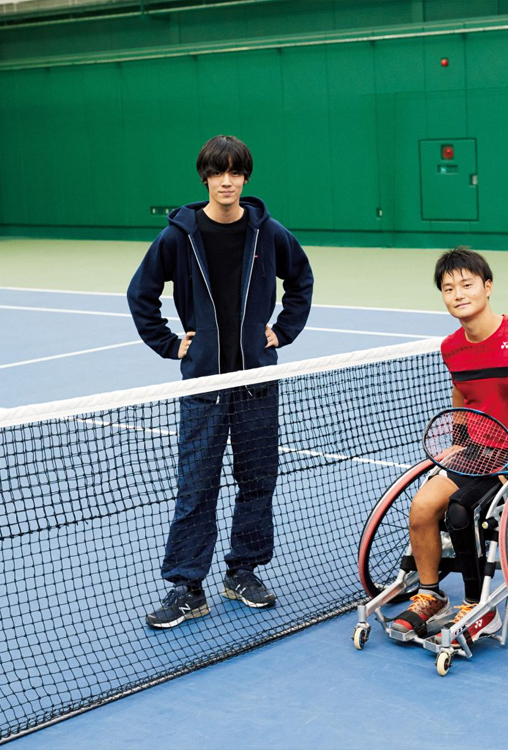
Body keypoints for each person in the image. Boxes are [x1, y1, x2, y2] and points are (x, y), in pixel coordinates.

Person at [127, 135, 313, 629]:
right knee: (197, 487)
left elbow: (301, 280)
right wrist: (171, 344)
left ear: (245, 177)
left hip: (256, 381)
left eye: (235, 172)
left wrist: (282, 331)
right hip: (202, 387)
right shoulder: (178, 236)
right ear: (205, 178)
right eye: (217, 172)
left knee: (257, 480)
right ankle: (187, 586)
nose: (227, 181)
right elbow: (141, 294)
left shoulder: (268, 232)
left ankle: (243, 572)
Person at [391, 247, 508, 646]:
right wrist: (459, 443)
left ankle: (480, 607)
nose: (457, 294)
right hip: (483, 449)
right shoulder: (452, 348)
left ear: (487, 287)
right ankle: (430, 595)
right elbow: (461, 397)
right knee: (423, 507)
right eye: (447, 288)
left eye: (466, 284)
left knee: (463, 510)